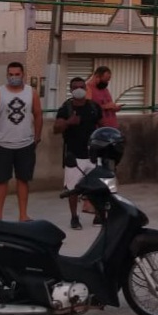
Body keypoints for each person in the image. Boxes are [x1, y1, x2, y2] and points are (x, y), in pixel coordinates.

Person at [0, 61, 42, 221]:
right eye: (11, 74)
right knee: (1, 181)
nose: (14, 77)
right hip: (2, 144)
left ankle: (23, 215)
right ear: (7, 75)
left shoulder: (31, 93)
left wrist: (37, 136)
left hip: (25, 144)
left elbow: (38, 114)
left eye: (17, 74)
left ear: (23, 75)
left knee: (23, 180)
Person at [55, 77, 103, 230]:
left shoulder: (94, 107)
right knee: (72, 189)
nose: (79, 89)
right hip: (74, 156)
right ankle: (74, 217)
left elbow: (102, 126)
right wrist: (68, 122)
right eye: (75, 87)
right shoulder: (66, 108)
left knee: (97, 187)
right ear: (71, 90)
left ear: (86, 89)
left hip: (93, 154)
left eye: (81, 86)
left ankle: (99, 215)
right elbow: (56, 129)